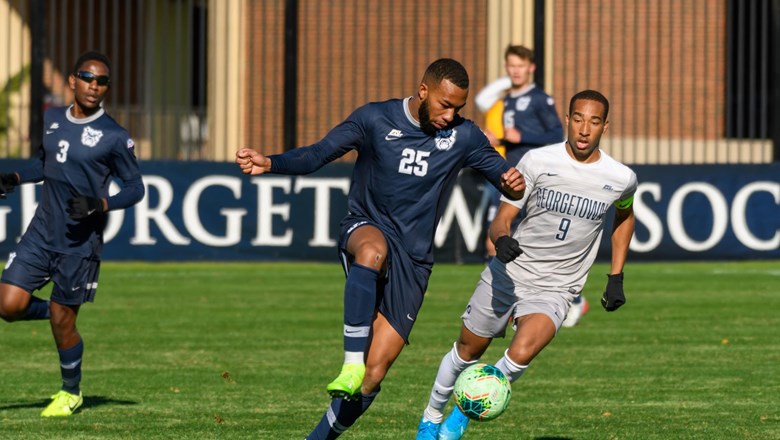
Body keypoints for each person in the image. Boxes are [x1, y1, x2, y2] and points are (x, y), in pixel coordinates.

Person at [235, 58, 526, 439]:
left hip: (415, 260)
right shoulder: (374, 119)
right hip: (365, 226)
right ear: (423, 91)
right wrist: (270, 162)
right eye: (444, 104)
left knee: (373, 378)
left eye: (458, 107)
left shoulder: (465, 136)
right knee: (372, 252)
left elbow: (503, 178)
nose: (450, 114)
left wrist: (512, 184)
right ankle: (350, 362)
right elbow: (317, 154)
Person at [416, 90, 637, 439]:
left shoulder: (621, 178)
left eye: (594, 122)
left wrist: (616, 276)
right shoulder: (537, 161)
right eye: (578, 118)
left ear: (604, 126)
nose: (584, 129)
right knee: (467, 351)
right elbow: (502, 218)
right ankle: (430, 418)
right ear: (567, 119)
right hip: (510, 274)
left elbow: (625, 217)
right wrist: (502, 240)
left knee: (521, 353)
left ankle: (457, 419)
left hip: (556, 287)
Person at [0, 51, 144, 417]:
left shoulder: (114, 136)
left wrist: (101, 204)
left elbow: (135, 187)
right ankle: (58, 310)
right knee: (8, 305)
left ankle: (71, 392)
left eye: (102, 81)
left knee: (64, 324)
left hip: (80, 243)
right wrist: (16, 178)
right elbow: (43, 164)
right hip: (41, 233)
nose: (95, 86)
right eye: (88, 78)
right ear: (72, 81)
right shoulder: (51, 119)